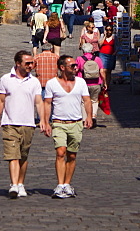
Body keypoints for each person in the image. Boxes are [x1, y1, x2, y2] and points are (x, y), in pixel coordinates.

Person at [0, 49, 45, 198]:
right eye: (27, 63)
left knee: (23, 156)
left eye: (32, 63)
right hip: (10, 123)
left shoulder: (34, 81)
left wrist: (42, 120)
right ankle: (14, 185)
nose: (31, 65)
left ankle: (21, 183)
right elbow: (1, 100)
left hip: (28, 123)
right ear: (18, 63)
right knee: (12, 155)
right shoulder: (5, 79)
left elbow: (39, 102)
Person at [42, 54, 92, 198]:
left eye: (76, 65)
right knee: (60, 153)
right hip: (59, 123)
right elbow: (47, 103)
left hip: (75, 123)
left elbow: (87, 100)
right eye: (72, 66)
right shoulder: (52, 83)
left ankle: (67, 184)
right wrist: (46, 122)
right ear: (62, 68)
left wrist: (88, 116)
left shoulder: (81, 82)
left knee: (72, 155)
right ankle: (60, 185)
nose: (76, 67)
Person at [75, 51, 102, 126]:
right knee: (94, 100)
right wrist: (105, 82)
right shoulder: (97, 59)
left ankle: (84, 119)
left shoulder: (79, 59)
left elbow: (76, 69)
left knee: (84, 101)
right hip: (96, 82)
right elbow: (102, 71)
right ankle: (93, 116)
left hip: (83, 83)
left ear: (83, 51)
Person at [98, 23, 117, 89]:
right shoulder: (103, 36)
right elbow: (100, 45)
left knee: (109, 71)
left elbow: (117, 46)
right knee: (103, 70)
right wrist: (104, 37)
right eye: (107, 30)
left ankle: (107, 85)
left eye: (110, 30)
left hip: (111, 55)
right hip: (103, 54)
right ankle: (104, 83)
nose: (109, 31)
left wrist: (115, 52)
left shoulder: (114, 37)